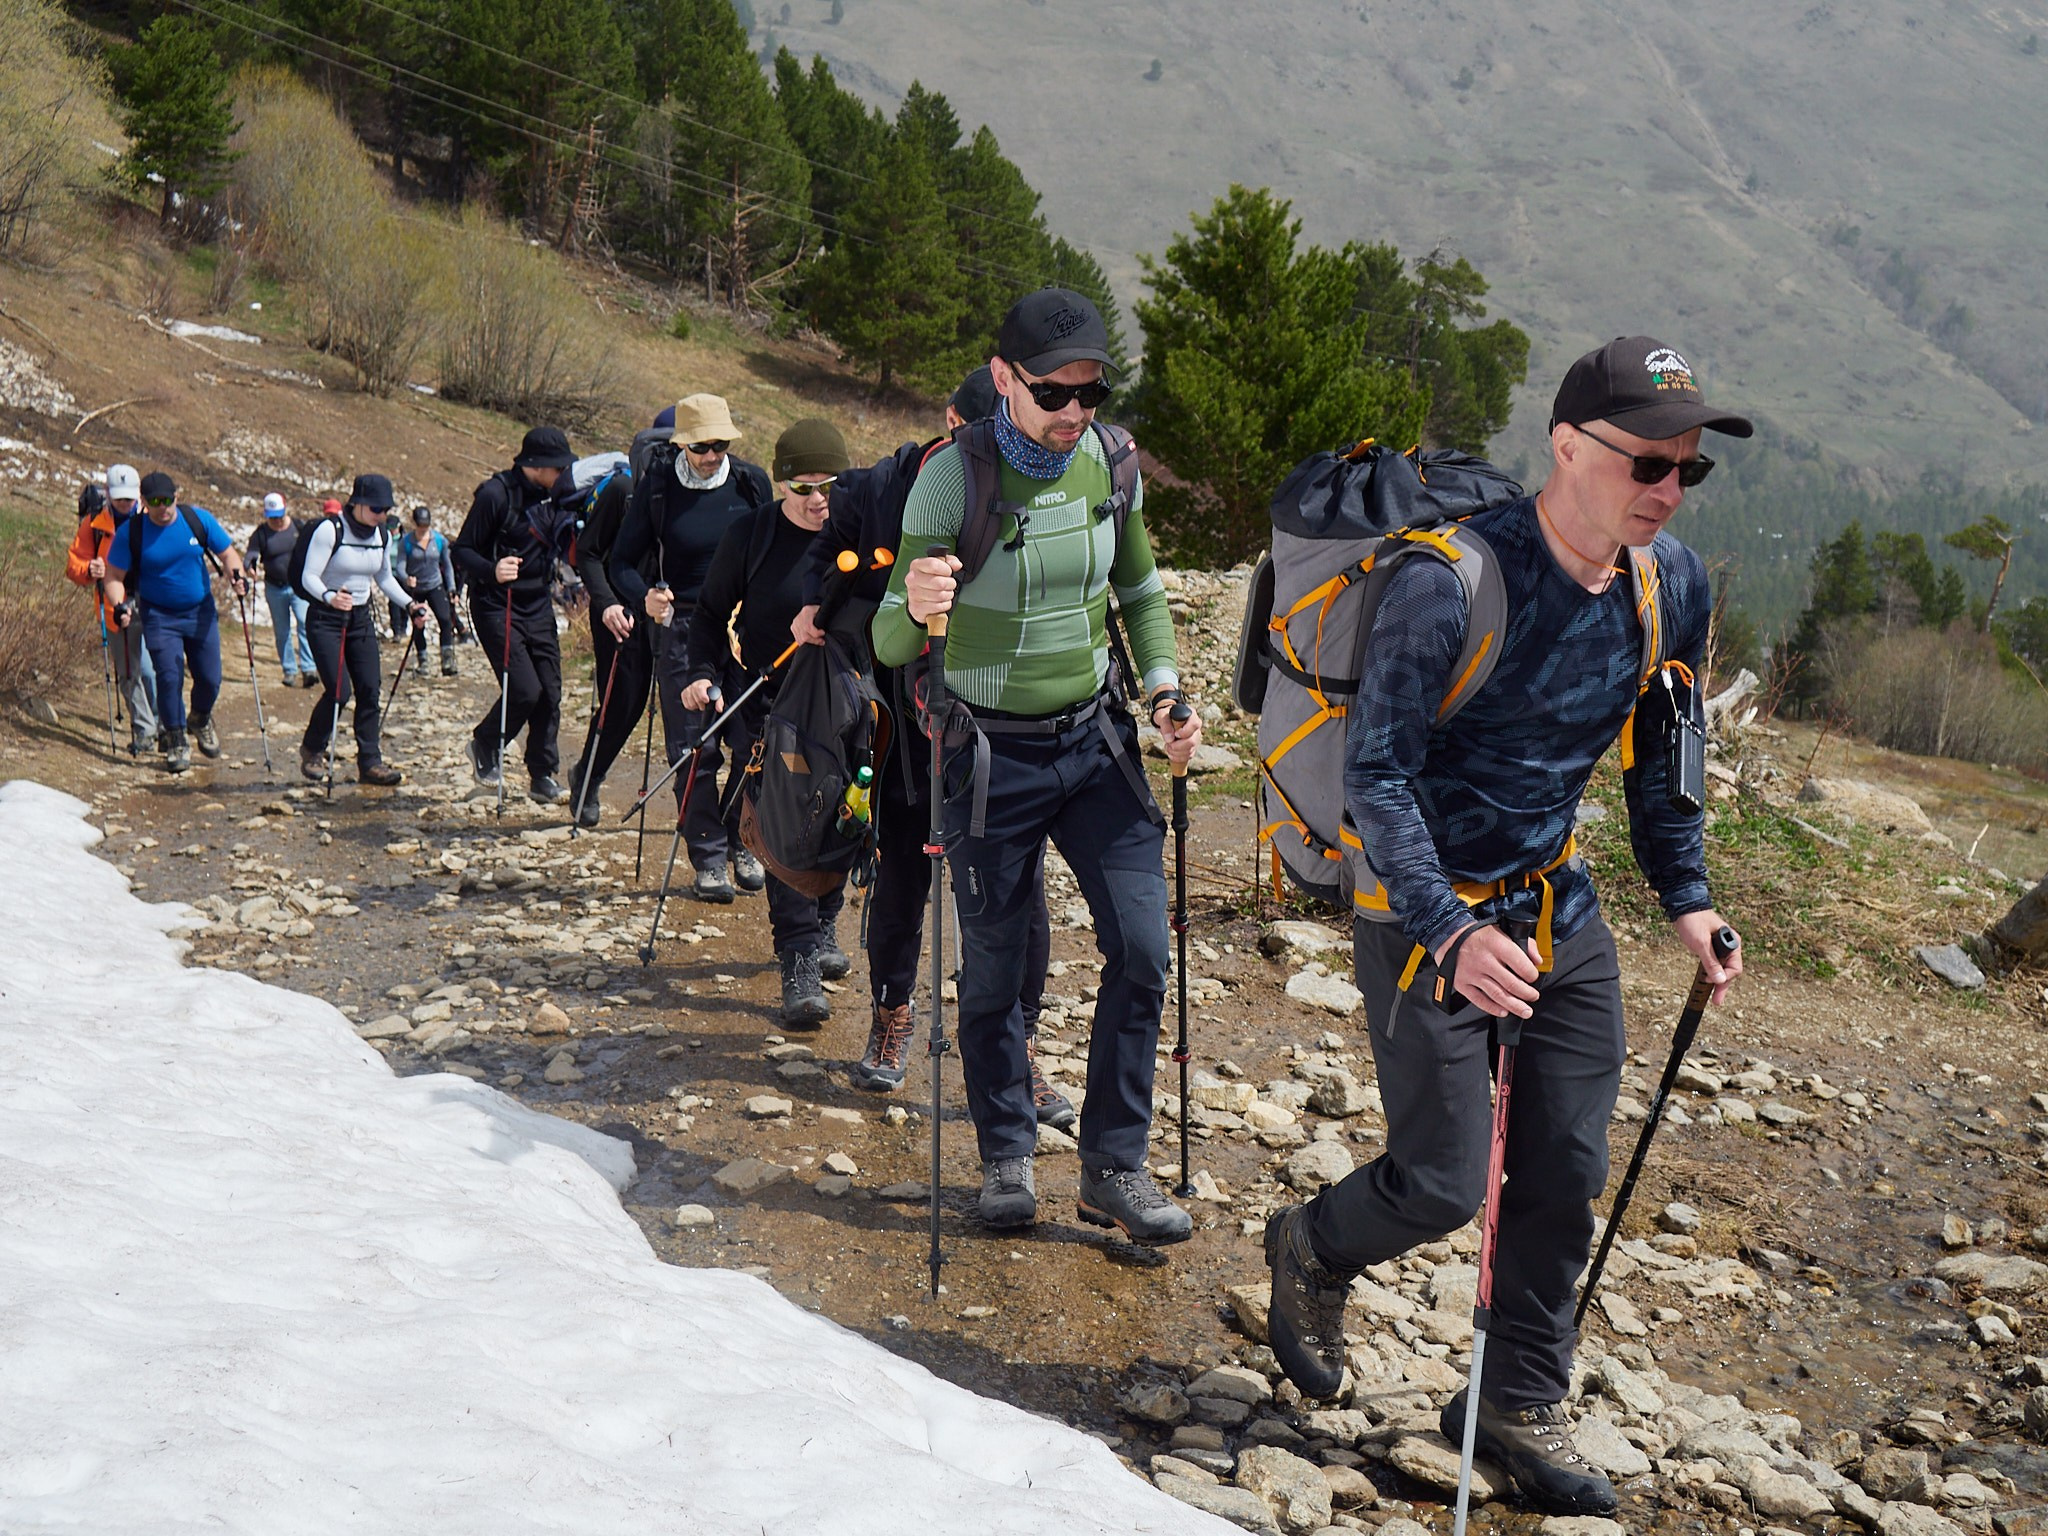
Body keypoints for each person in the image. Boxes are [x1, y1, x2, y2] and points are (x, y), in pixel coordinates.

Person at [1258, 336, 1750, 1517]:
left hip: (1555, 901)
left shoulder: (1664, 583)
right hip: (1420, 905)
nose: (1666, 492)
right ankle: (1312, 1246)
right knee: (1439, 1182)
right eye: (1646, 464)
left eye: (1687, 472)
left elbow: (1665, 756)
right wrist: (1451, 933)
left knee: (1563, 1166)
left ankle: (1512, 1406)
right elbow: (1374, 781)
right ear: (1567, 446)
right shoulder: (1446, 581)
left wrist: (1684, 896)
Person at [873, 288, 1200, 1244]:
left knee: (1144, 950)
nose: (1076, 413)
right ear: (1007, 379)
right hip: (987, 757)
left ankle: (1113, 1166)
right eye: (1057, 394)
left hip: (1094, 743)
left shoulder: (1109, 462)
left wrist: (1168, 694)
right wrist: (919, 595)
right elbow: (894, 640)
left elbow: (1138, 592)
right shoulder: (950, 480)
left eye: (1094, 392)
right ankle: (1005, 1149)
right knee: (996, 970)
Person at [795, 370, 1069, 1127]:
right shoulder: (886, 485)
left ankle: (1021, 1046)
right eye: (975, 438)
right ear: (952, 420)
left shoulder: (1032, 490)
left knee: (1018, 893)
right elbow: (827, 555)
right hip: (905, 729)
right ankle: (891, 1016)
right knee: (903, 881)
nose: (986, 458)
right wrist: (825, 606)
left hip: (1002, 730)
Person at [681, 421, 858, 1024]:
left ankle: (828, 919)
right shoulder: (750, 535)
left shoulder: (860, 531)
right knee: (786, 832)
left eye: (828, 486)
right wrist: (701, 672)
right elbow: (708, 615)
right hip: (771, 703)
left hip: (848, 706)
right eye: (802, 487)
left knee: (848, 817)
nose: (817, 501)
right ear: (780, 483)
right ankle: (800, 957)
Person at [608, 394, 775, 902]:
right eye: (702, 446)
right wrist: (646, 597)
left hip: (746, 628)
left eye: (721, 444)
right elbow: (620, 563)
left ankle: (741, 838)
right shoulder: (658, 487)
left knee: (755, 743)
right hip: (683, 627)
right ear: (682, 443)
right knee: (693, 747)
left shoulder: (750, 483)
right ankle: (707, 853)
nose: (712, 455)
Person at [454, 426, 579, 804]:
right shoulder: (495, 495)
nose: (563, 473)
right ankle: (485, 744)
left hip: (537, 601)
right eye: (558, 466)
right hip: (495, 602)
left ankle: (542, 775)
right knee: (524, 689)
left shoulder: (557, 494)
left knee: (550, 692)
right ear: (536, 465)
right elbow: (461, 551)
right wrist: (492, 569)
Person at [100, 470, 249, 773]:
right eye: (154, 501)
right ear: (143, 502)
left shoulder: (197, 519)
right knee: (169, 676)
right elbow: (113, 576)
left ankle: (200, 718)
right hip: (158, 615)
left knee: (210, 678)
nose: (162, 507)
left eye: (167, 500)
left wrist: (237, 575)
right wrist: (118, 605)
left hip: (200, 611)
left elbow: (228, 553)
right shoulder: (133, 532)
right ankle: (177, 737)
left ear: (176, 497)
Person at [297, 475, 427, 786]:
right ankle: (313, 749)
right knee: (340, 690)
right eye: (376, 508)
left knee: (370, 688)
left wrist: (411, 605)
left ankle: (370, 762)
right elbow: (308, 576)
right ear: (357, 503)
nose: (381, 515)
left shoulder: (382, 534)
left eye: (386, 509)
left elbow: (384, 579)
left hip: (360, 618)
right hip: (325, 618)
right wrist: (329, 596)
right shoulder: (331, 530)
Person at [564, 446, 650, 829]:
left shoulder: (699, 494)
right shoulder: (622, 489)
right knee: (624, 703)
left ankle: (705, 824)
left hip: (673, 611)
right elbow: (589, 553)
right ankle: (589, 775)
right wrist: (607, 604)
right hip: (620, 612)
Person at [67, 463, 159, 754]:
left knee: (151, 670)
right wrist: (89, 569)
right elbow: (73, 565)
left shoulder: (150, 520)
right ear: (107, 493)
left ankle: (163, 725)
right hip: (113, 605)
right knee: (129, 670)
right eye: (118, 497)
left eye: (129, 498)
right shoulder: (93, 525)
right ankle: (145, 730)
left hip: (151, 601)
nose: (124, 503)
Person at [246, 492, 316, 689]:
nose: (276, 521)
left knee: (304, 622)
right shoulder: (261, 533)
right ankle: (289, 671)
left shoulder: (298, 527)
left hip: (298, 586)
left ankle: (309, 668)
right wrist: (250, 565)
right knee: (282, 630)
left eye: (279, 516)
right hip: (274, 587)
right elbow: (252, 552)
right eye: (272, 517)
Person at [393, 506, 460, 677]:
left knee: (445, 620)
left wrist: (452, 588)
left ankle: (447, 660)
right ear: (414, 524)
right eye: (420, 525)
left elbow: (448, 566)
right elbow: (399, 566)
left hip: (435, 585)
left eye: (426, 525)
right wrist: (406, 578)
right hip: (416, 589)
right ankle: (423, 661)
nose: (423, 529)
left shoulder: (439, 540)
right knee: (418, 624)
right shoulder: (406, 542)